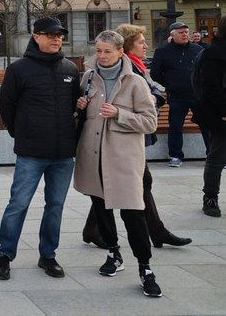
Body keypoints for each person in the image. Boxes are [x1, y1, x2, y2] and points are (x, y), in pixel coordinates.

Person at [82, 23, 192, 249]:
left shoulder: (136, 69)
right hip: (119, 142)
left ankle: (95, 229)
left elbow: (155, 92)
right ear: (127, 46)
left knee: (122, 186)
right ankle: (153, 233)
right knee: (132, 185)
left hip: (130, 140)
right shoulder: (123, 69)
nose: (146, 45)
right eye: (141, 41)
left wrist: (154, 98)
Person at [0, 17, 80, 281]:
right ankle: (4, 255)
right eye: (51, 35)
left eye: (60, 35)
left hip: (63, 153)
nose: (56, 39)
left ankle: (48, 255)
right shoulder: (19, 69)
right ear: (36, 37)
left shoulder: (70, 69)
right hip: (31, 152)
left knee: (55, 205)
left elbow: (76, 104)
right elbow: (6, 105)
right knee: (18, 204)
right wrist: (20, 133)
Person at [75, 30, 162, 298]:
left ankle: (145, 268)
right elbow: (81, 116)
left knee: (132, 212)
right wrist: (79, 106)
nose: (101, 56)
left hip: (123, 158)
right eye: (98, 50)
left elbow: (150, 122)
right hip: (93, 155)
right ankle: (113, 253)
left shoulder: (135, 82)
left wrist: (119, 114)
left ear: (120, 52)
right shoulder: (88, 78)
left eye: (107, 51)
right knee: (100, 207)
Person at [150, 22, 207, 167]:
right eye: (181, 32)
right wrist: (170, 83)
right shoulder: (162, 52)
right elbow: (155, 73)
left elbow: (206, 70)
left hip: (197, 95)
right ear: (172, 35)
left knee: (206, 125)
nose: (185, 35)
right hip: (176, 97)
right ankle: (176, 155)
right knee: (175, 126)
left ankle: (212, 155)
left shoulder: (197, 49)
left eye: (186, 32)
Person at [195, 14, 226, 218]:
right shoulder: (215, 52)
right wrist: (225, 112)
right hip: (222, 115)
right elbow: (211, 87)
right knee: (217, 157)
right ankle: (210, 197)